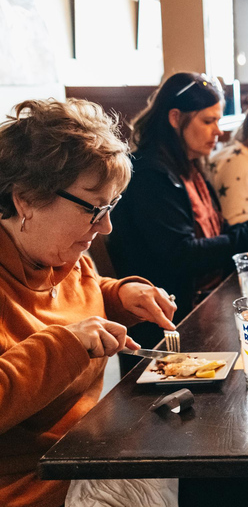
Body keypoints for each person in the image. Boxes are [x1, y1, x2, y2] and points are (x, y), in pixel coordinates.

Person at [0, 98, 176, 506]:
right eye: (95, 209)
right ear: (26, 199)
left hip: (86, 454)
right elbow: (57, 333)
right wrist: (67, 344)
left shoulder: (61, 253)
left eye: (111, 207)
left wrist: (119, 297)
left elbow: (77, 296)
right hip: (29, 485)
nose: (107, 225)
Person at [109, 72, 248, 373]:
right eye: (208, 121)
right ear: (175, 117)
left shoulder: (190, 167)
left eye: (218, 121)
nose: (218, 131)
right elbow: (183, 255)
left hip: (202, 308)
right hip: (170, 328)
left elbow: (215, 236)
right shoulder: (150, 175)